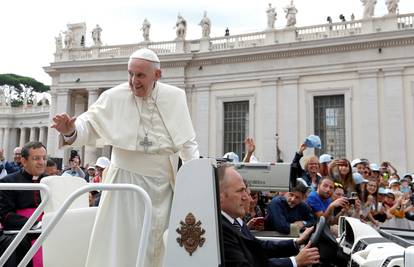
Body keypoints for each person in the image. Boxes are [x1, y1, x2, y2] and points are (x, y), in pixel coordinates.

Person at [51, 48, 199, 267]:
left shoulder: (175, 97)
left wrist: (195, 178)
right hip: (124, 186)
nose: (133, 81)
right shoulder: (114, 96)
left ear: (157, 75)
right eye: (130, 74)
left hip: (164, 189)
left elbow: (187, 142)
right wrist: (69, 130)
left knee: (160, 245)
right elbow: (88, 125)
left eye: (140, 75)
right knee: (121, 247)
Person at [218, 164, 320, 267]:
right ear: (220, 196)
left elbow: (259, 246)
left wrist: (296, 242)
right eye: (240, 191)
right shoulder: (221, 228)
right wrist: (295, 262)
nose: (246, 198)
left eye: (246, 191)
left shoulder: (235, 222)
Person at [0, 141, 48, 266]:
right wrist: (36, 224)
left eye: (44, 158)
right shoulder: (8, 182)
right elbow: (6, 216)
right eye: (36, 158)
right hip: (22, 231)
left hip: (50, 227)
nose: (42, 162)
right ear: (24, 160)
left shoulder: (51, 181)